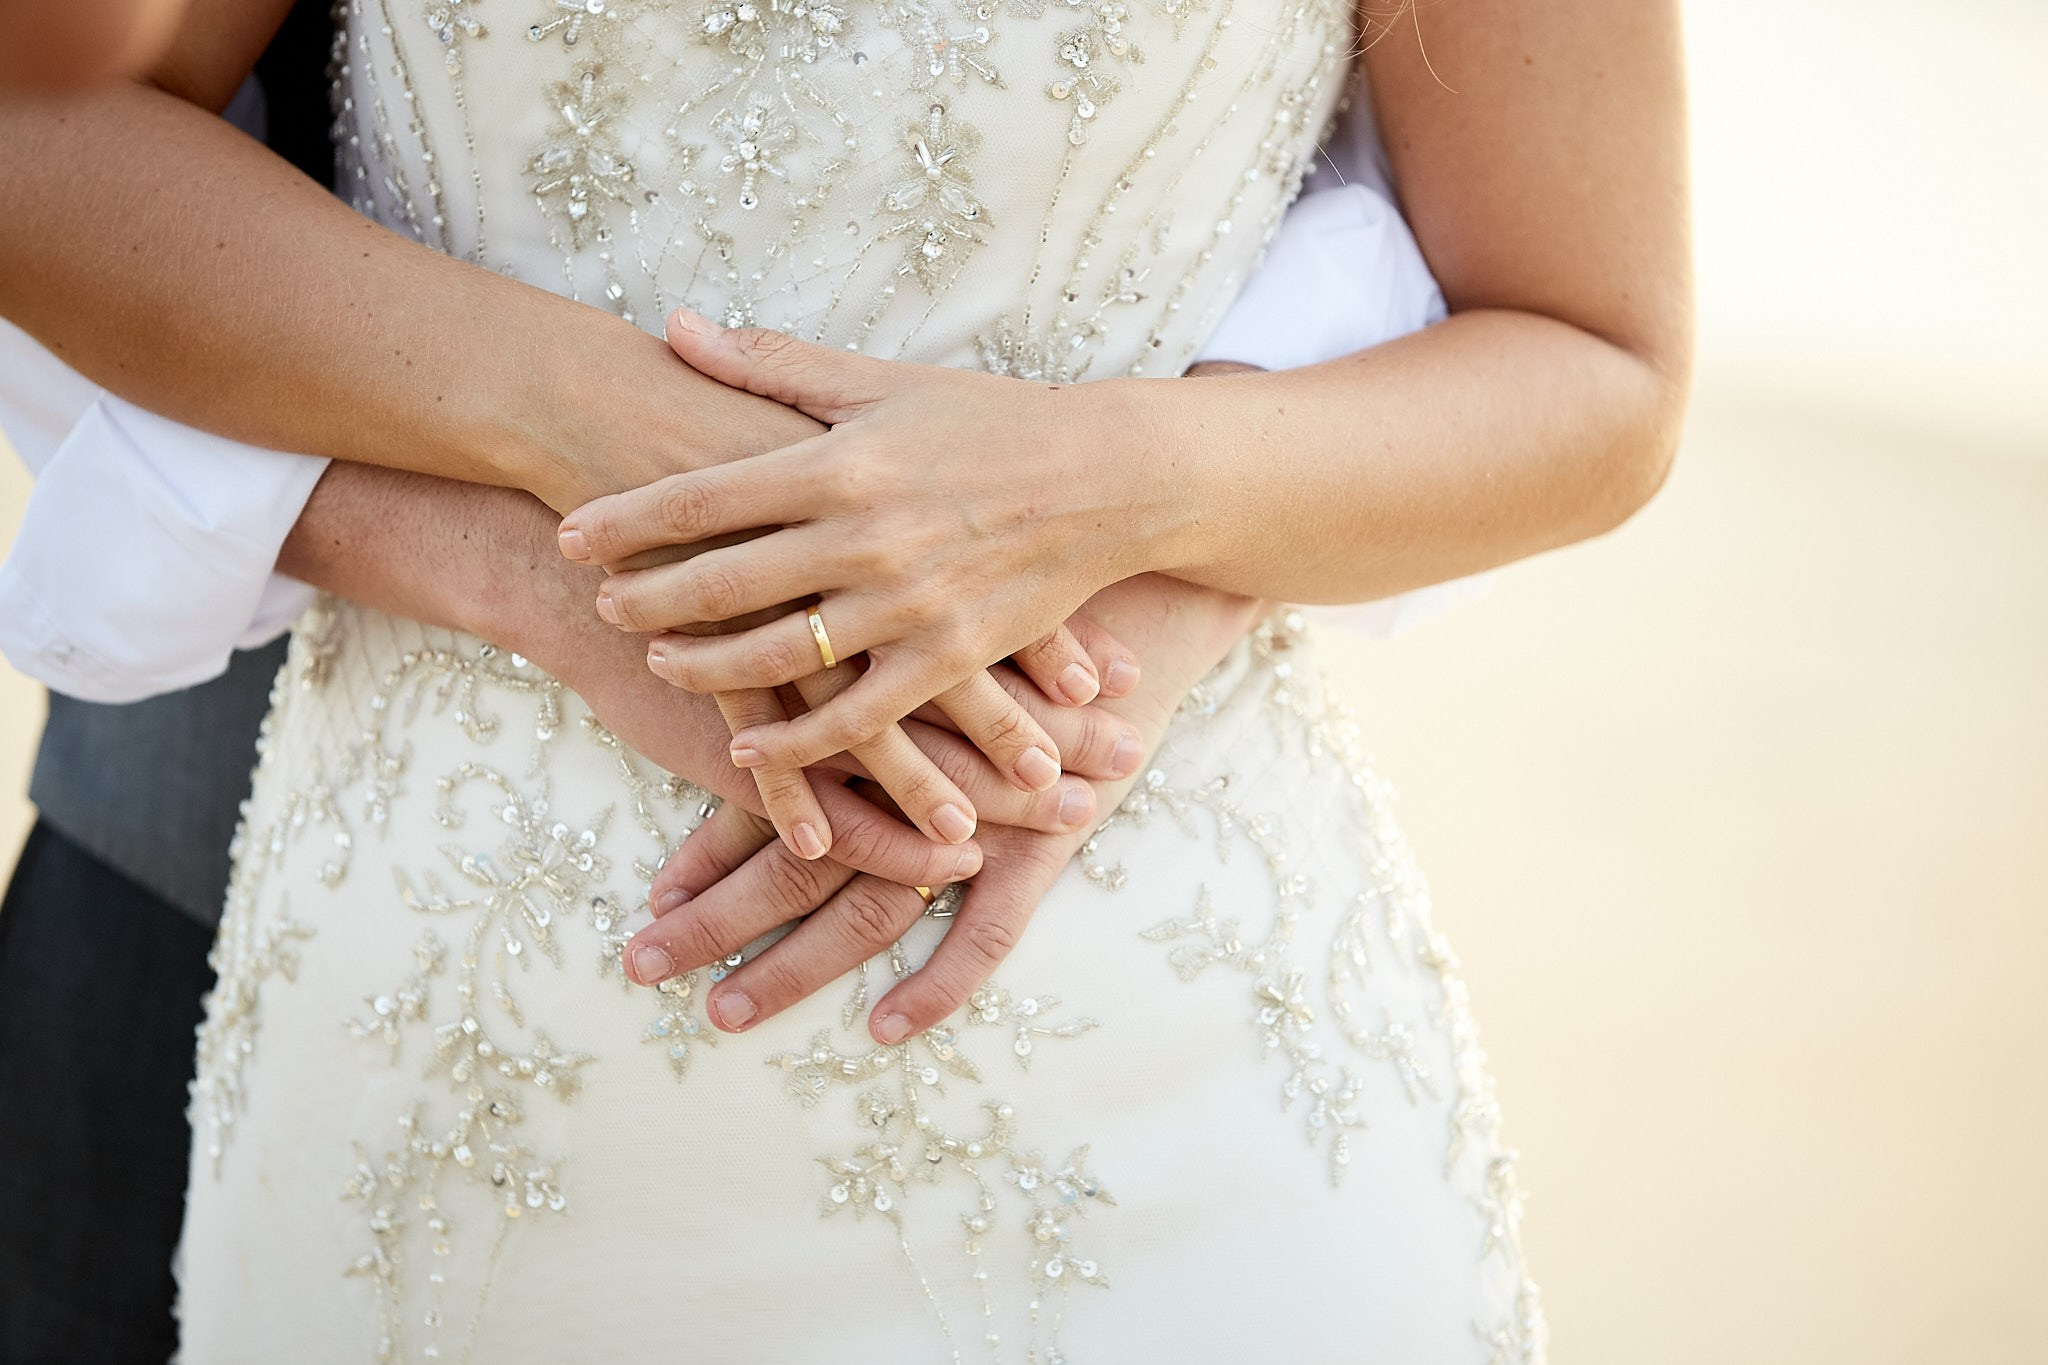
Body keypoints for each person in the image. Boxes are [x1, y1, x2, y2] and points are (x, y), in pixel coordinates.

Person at [0, 0, 1691, 1357]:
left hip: (1172, 1054)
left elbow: (1586, 347)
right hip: (427, 1033)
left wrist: (1112, 500)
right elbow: (47, 131)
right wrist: (601, 462)